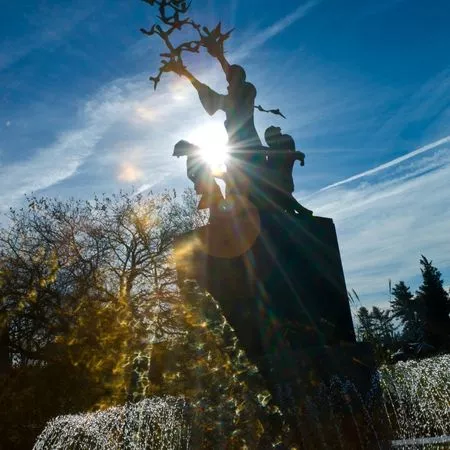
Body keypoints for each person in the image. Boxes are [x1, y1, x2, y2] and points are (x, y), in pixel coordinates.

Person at [264, 126, 312, 216]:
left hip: (282, 180)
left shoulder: (282, 145)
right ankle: (296, 212)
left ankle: (303, 211)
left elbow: (291, 154)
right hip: (279, 180)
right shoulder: (273, 150)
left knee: (283, 196)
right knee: (284, 201)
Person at [173, 140, 224, 211]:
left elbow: (190, 174)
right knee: (216, 205)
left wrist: (198, 182)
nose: (180, 156)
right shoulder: (197, 152)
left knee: (216, 206)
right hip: (209, 185)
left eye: (179, 154)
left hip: (208, 185)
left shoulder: (193, 155)